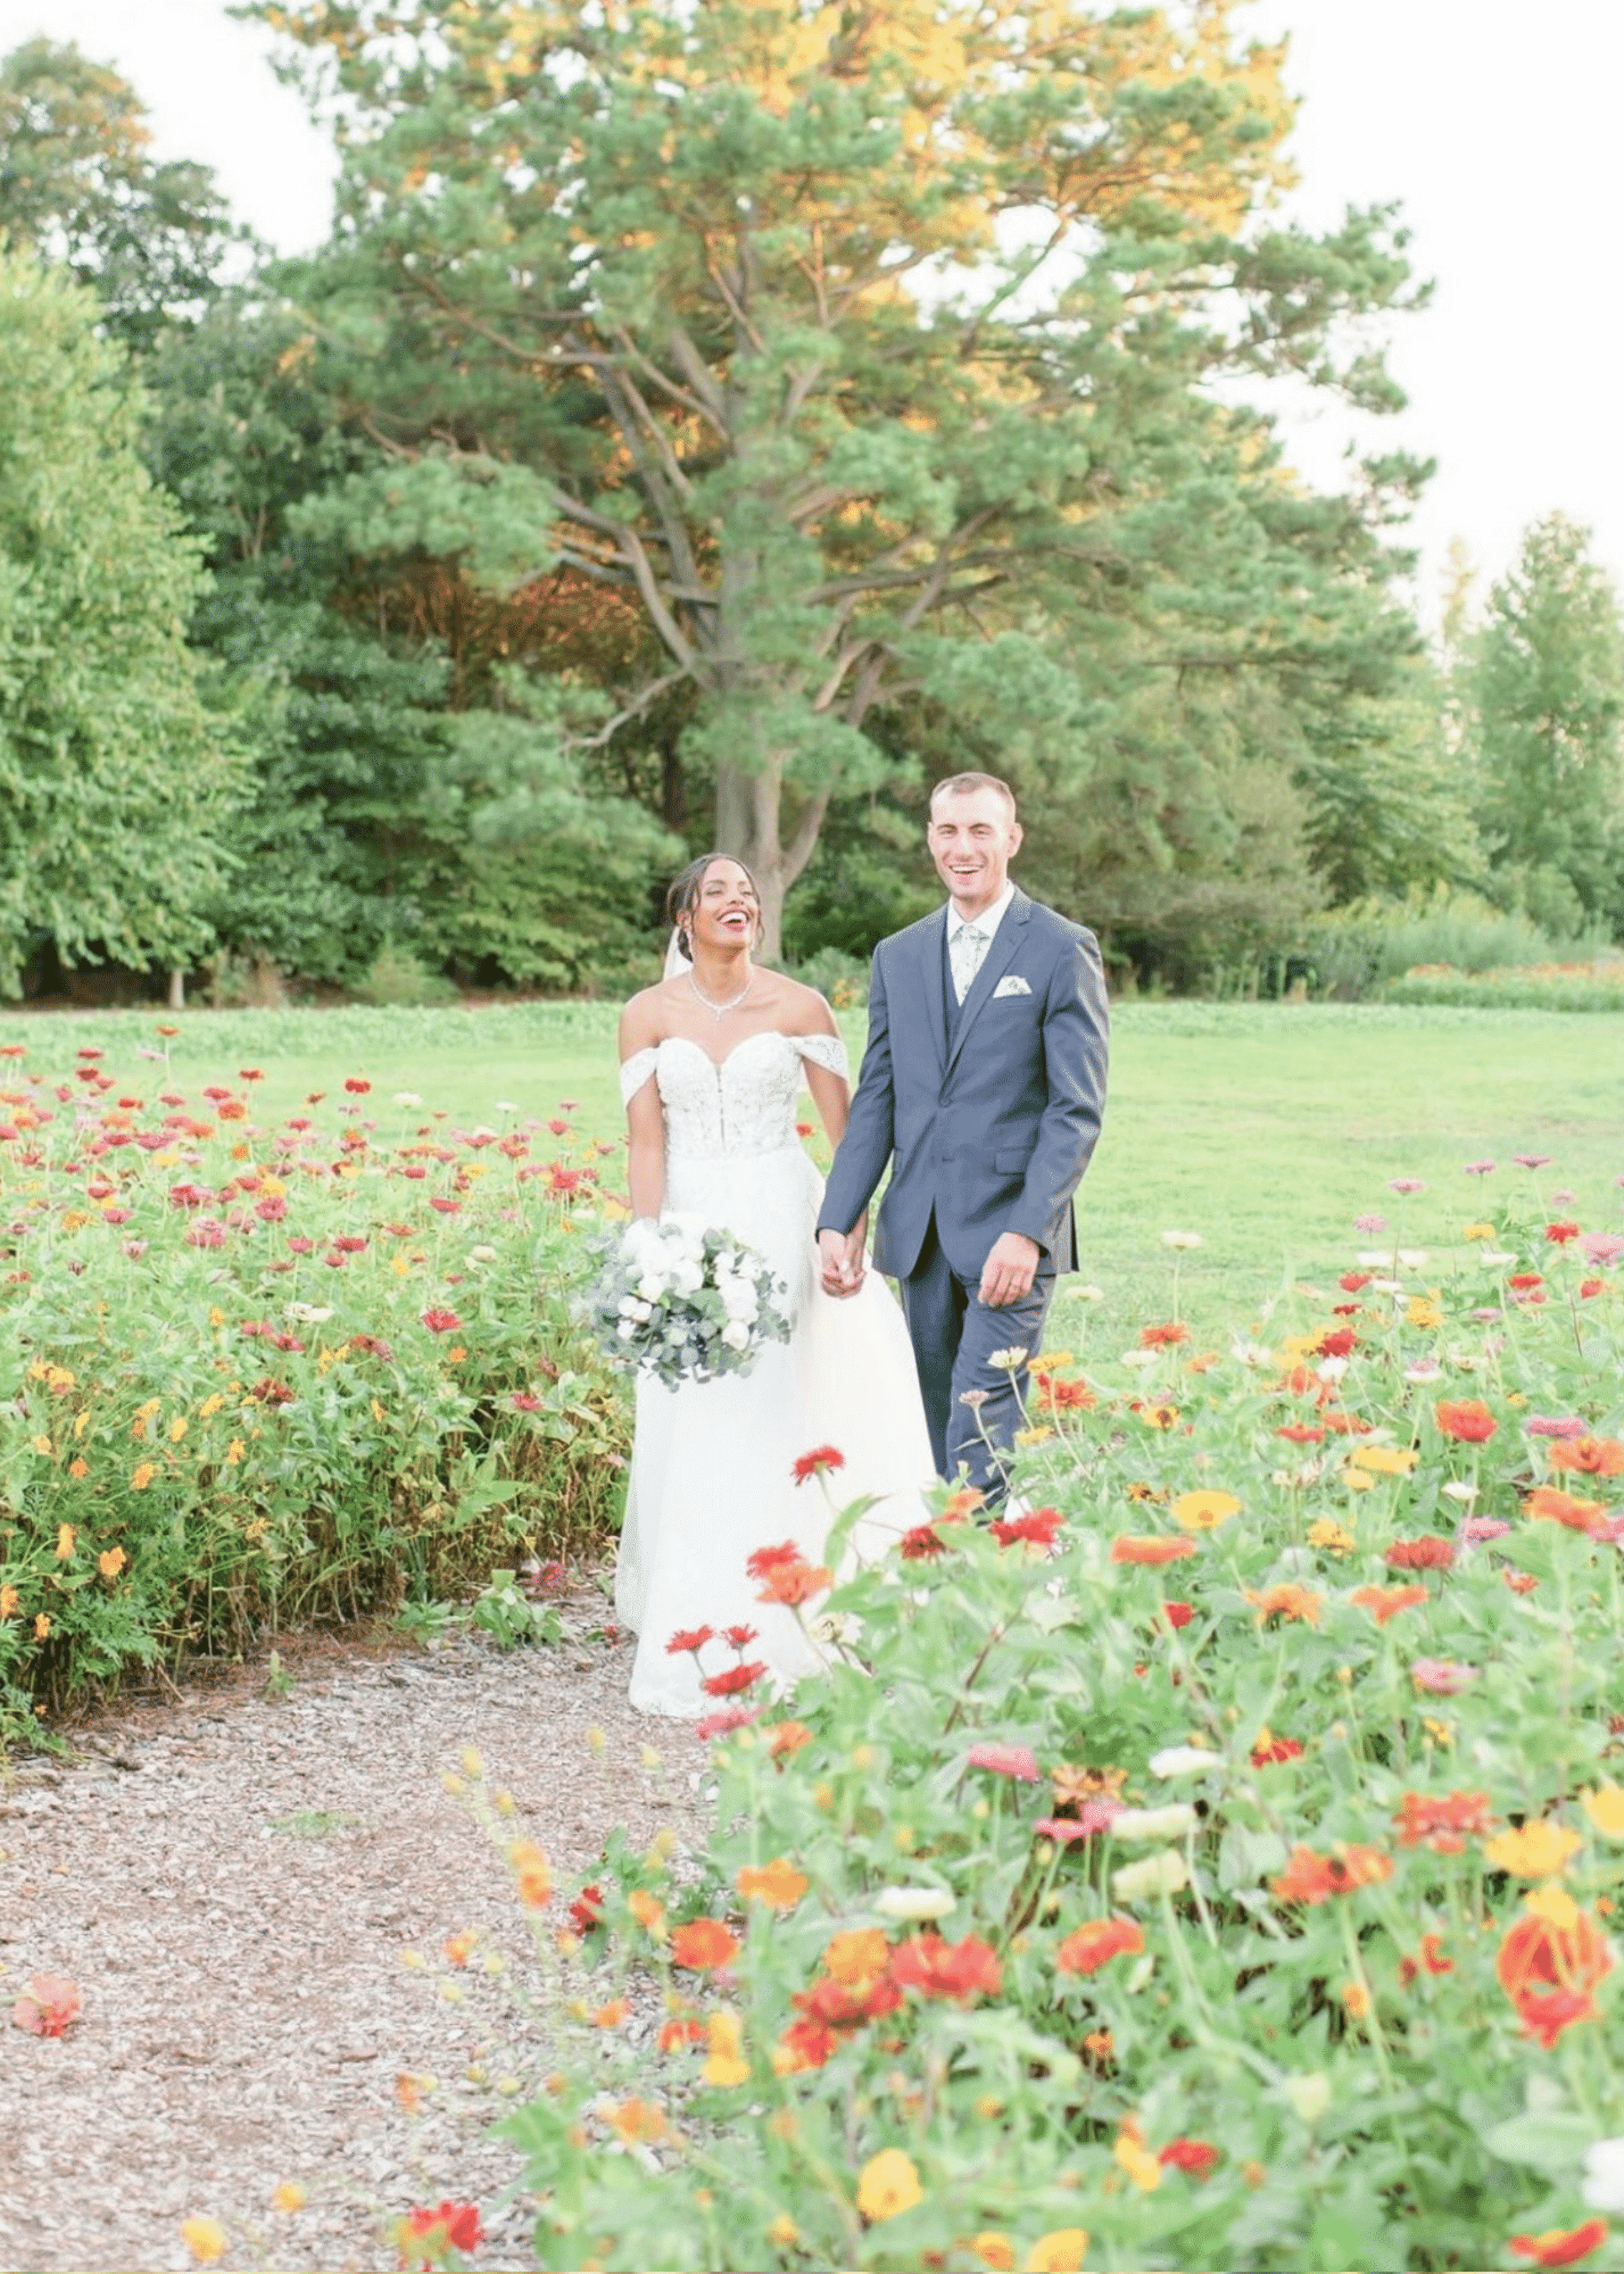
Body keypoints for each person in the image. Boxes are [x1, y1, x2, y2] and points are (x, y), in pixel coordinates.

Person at [613, 853, 936, 1716]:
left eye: (748, 894)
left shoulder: (800, 1007)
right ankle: (706, 1614)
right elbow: (648, 1143)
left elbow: (851, 1132)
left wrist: (847, 1226)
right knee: (703, 1418)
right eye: (717, 892)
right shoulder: (646, 1015)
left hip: (783, 1219)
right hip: (692, 1227)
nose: (737, 902)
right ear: (684, 916)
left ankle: (817, 1615)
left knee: (793, 1404)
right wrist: (649, 1250)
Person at [816, 773, 1109, 1500]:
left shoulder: (1059, 947)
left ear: (1011, 839)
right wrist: (839, 1214)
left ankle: (968, 1594)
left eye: (980, 830)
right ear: (929, 840)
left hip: (1010, 1233)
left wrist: (1028, 1231)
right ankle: (958, 1581)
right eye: (947, 830)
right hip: (918, 1235)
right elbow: (879, 1093)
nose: (963, 846)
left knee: (983, 1427)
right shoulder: (898, 954)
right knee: (933, 1425)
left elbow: (1074, 1109)